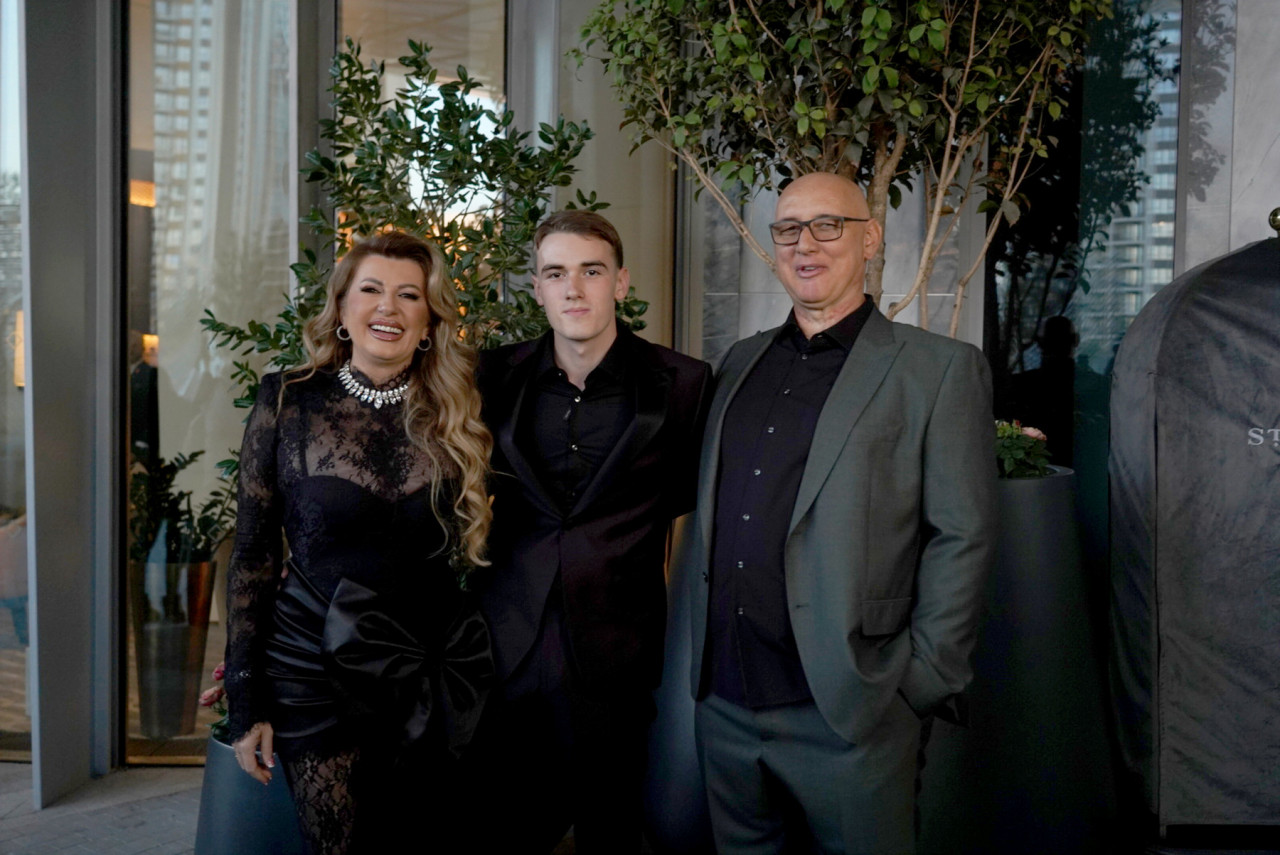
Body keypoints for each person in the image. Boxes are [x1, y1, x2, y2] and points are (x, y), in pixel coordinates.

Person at [679, 173, 997, 854]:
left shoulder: (938, 370)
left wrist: (920, 684)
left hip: (853, 712)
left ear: (870, 238)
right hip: (727, 705)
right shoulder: (738, 363)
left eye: (828, 225)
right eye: (788, 229)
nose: (805, 244)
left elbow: (962, 535)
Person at [223, 231, 494, 854]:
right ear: (342, 309)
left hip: (427, 665)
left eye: (409, 295)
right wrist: (245, 697)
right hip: (311, 667)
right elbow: (254, 555)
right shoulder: (286, 399)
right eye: (370, 289)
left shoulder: (463, 408)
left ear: (428, 322)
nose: (388, 308)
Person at [472, 210, 713, 853]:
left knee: (611, 829)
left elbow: (683, 496)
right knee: (500, 828)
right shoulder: (489, 376)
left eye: (591, 271)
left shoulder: (685, 383)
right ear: (537, 287)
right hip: (505, 641)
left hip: (618, 648)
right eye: (556, 273)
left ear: (621, 282)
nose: (573, 289)